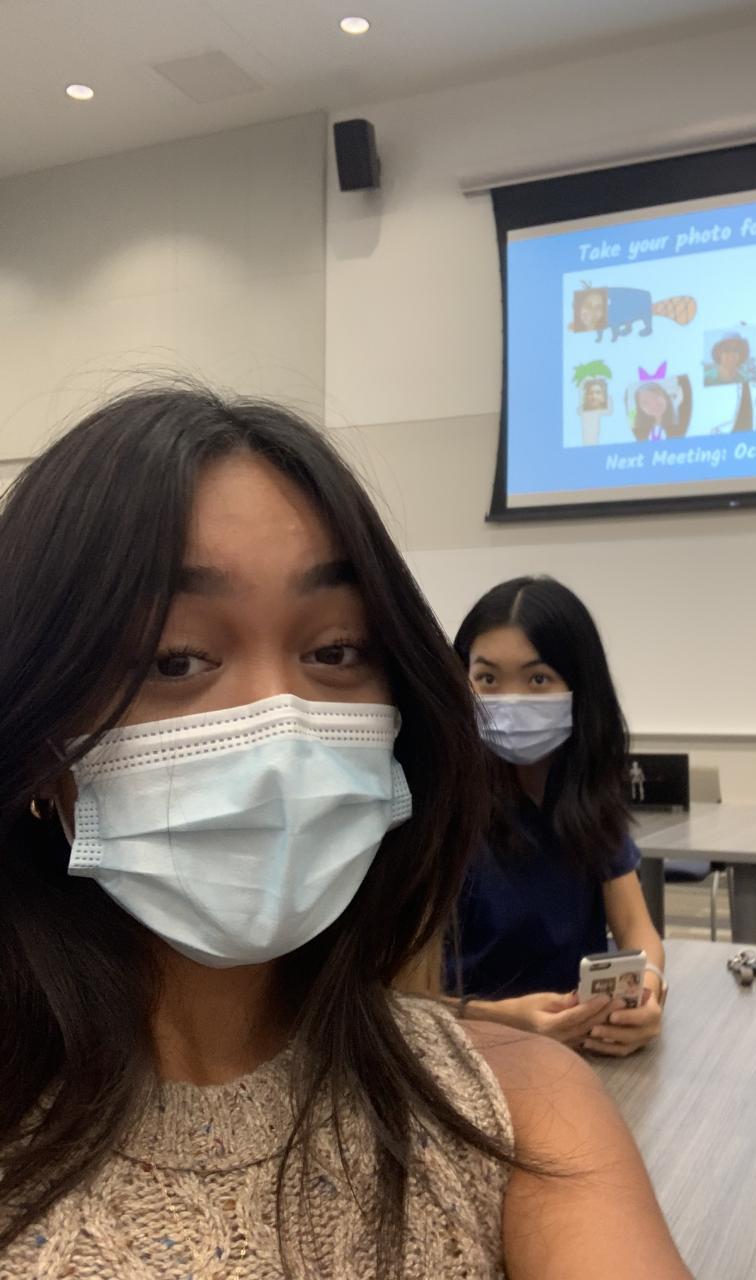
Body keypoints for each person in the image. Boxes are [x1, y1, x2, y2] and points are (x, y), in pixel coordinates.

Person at [0, 388, 690, 1279]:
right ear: (39, 744)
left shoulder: (519, 1109)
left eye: (334, 651)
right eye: (176, 659)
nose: (279, 728)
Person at [446, 576, 667, 1058]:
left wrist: (647, 990)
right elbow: (398, 997)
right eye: (487, 679)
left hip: (578, 1052)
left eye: (538, 679)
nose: (510, 700)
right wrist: (506, 1020)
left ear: (579, 686)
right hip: (467, 1057)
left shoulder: (585, 795)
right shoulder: (440, 807)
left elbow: (636, 929)